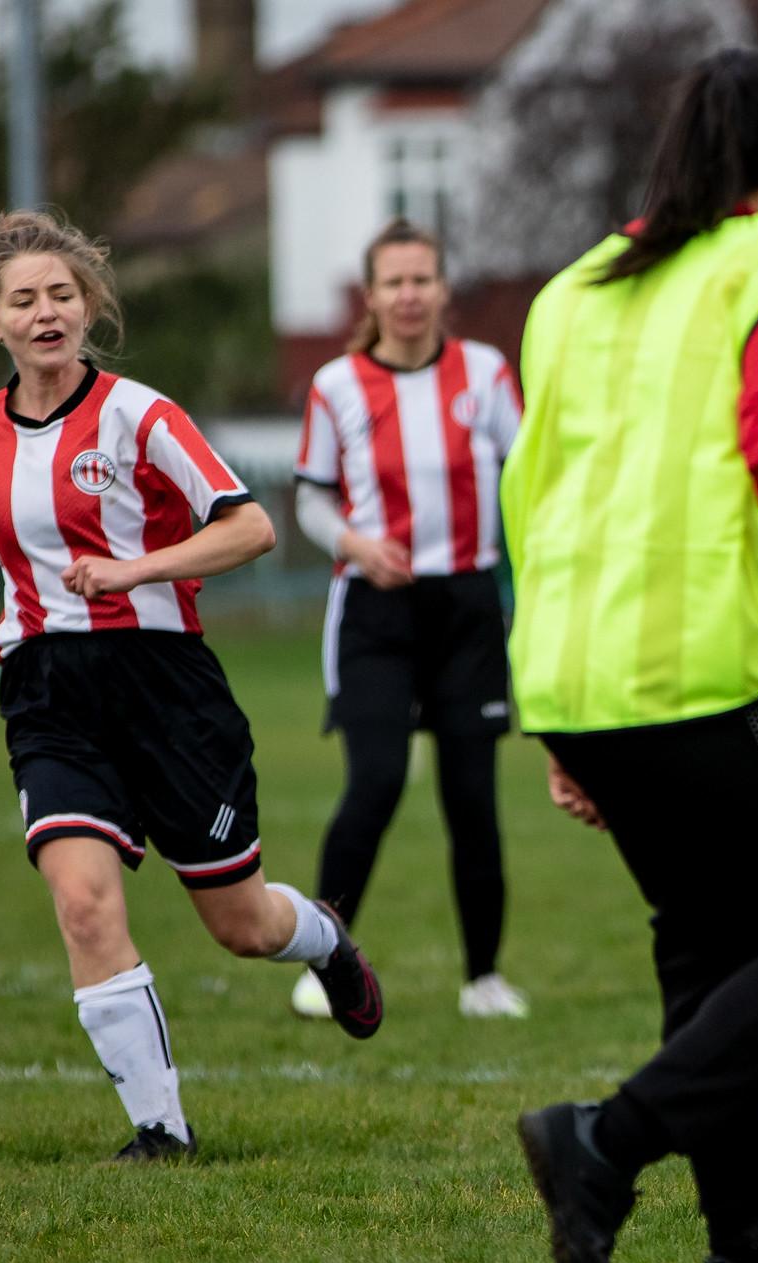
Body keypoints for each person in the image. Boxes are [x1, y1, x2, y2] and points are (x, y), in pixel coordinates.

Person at [502, 49, 758, 1263]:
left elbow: (533, 489)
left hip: (579, 671)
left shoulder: (572, 289)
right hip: (723, 680)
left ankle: (747, 1245)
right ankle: (604, 1146)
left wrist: (559, 717)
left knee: (713, 946)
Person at [0, 211, 382, 1162]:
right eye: (25, 300)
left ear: (91, 309)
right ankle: (160, 1128)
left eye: (64, 296)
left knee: (240, 925)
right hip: (44, 688)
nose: (48, 313)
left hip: (164, 688)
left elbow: (249, 528)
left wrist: (136, 569)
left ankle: (323, 938)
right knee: (82, 900)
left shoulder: (140, 415)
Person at [291, 220, 527, 1021]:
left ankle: (484, 977)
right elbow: (311, 498)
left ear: (443, 287)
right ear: (371, 294)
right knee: (377, 780)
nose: (408, 294)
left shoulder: (487, 374)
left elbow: (527, 475)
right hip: (374, 615)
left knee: (472, 797)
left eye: (422, 278)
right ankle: (325, 962)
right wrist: (356, 541)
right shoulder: (337, 386)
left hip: (466, 608)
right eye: (393, 281)